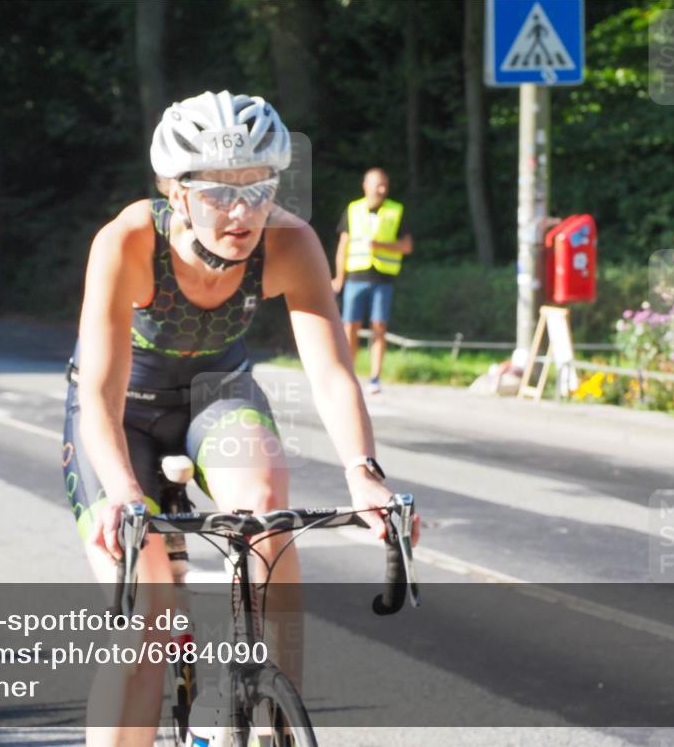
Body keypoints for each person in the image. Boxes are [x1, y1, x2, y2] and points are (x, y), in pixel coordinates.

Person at [61, 91, 419, 747]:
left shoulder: (291, 242)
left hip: (216, 397)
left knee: (265, 507)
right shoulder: (128, 241)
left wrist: (364, 475)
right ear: (175, 189)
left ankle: (267, 719)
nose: (241, 211)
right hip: (122, 419)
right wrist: (121, 493)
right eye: (218, 191)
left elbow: (332, 372)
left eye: (258, 188)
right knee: (149, 618)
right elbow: (101, 397)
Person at [331, 168, 414, 395]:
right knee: (350, 327)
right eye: (378, 185)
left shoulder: (395, 211)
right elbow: (343, 246)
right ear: (365, 185)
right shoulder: (353, 209)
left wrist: (381, 246)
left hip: (383, 278)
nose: (382, 189)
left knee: (379, 327)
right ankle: (349, 374)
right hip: (356, 276)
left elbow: (407, 246)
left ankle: (375, 378)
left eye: (385, 185)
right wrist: (339, 277)